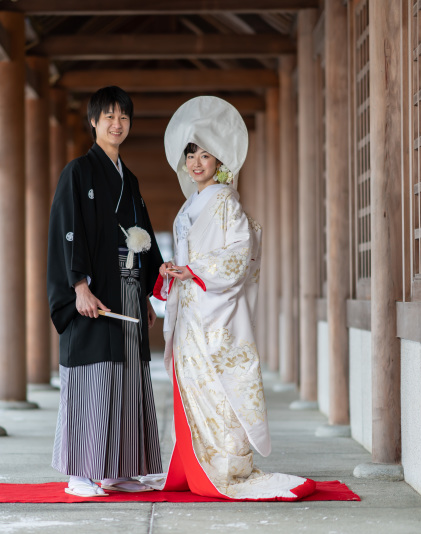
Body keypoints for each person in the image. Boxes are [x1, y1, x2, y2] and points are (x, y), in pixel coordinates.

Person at [149, 96, 315, 501]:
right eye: (191, 155)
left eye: (206, 156)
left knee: (220, 391)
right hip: (192, 316)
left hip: (215, 316)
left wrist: (195, 270)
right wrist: (174, 270)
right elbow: (189, 260)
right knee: (191, 390)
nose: (197, 163)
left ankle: (224, 465)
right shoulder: (187, 208)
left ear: (220, 162)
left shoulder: (226, 201)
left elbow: (240, 253)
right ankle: (194, 466)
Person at [46, 86, 164, 497]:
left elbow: (143, 238)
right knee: (91, 378)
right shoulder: (78, 172)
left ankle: (118, 469)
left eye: (124, 117)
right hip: (93, 293)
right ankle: (79, 473)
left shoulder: (128, 180)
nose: (117, 124)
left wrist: (146, 294)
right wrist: (77, 285)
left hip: (127, 294)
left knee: (126, 381)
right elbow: (67, 230)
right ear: (93, 121)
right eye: (109, 116)